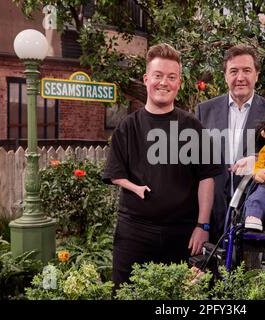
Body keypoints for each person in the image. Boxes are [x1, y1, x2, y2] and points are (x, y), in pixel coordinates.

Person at [103, 43, 223, 291]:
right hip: (134, 232)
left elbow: (206, 178)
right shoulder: (128, 127)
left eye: (171, 77)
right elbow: (115, 173)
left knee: (183, 296)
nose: (163, 83)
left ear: (179, 83)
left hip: (183, 233)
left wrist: (203, 226)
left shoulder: (192, 126)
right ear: (147, 79)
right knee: (126, 294)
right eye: (158, 76)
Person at [195, 44, 265, 243]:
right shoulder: (204, 111)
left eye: (247, 70)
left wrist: (258, 160)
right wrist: (201, 223)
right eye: (233, 71)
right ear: (225, 76)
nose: (240, 77)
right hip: (213, 216)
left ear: (256, 74)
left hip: (257, 218)